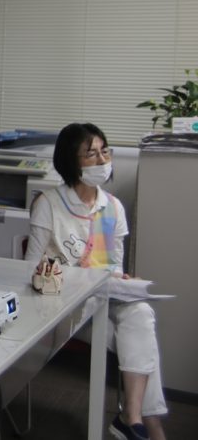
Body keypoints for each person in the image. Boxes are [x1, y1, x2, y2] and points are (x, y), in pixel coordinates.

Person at [25, 123, 166, 440]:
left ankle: (132, 416)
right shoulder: (49, 204)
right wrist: (59, 273)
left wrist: (122, 279)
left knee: (141, 313)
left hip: (106, 299)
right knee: (141, 340)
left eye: (105, 151)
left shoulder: (112, 207)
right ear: (71, 161)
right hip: (67, 306)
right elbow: (30, 267)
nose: (102, 160)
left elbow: (112, 265)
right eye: (91, 154)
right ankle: (148, 424)